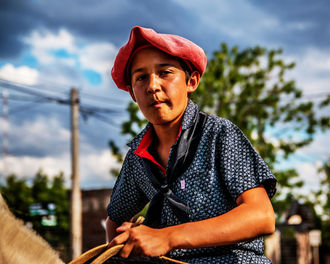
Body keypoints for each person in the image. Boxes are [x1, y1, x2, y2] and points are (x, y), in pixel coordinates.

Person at [106, 26, 277, 264]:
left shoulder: (220, 135)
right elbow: (114, 219)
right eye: (141, 77)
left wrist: (167, 237)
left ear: (192, 81)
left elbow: (262, 216)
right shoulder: (137, 156)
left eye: (165, 72)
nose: (152, 86)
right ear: (133, 94)